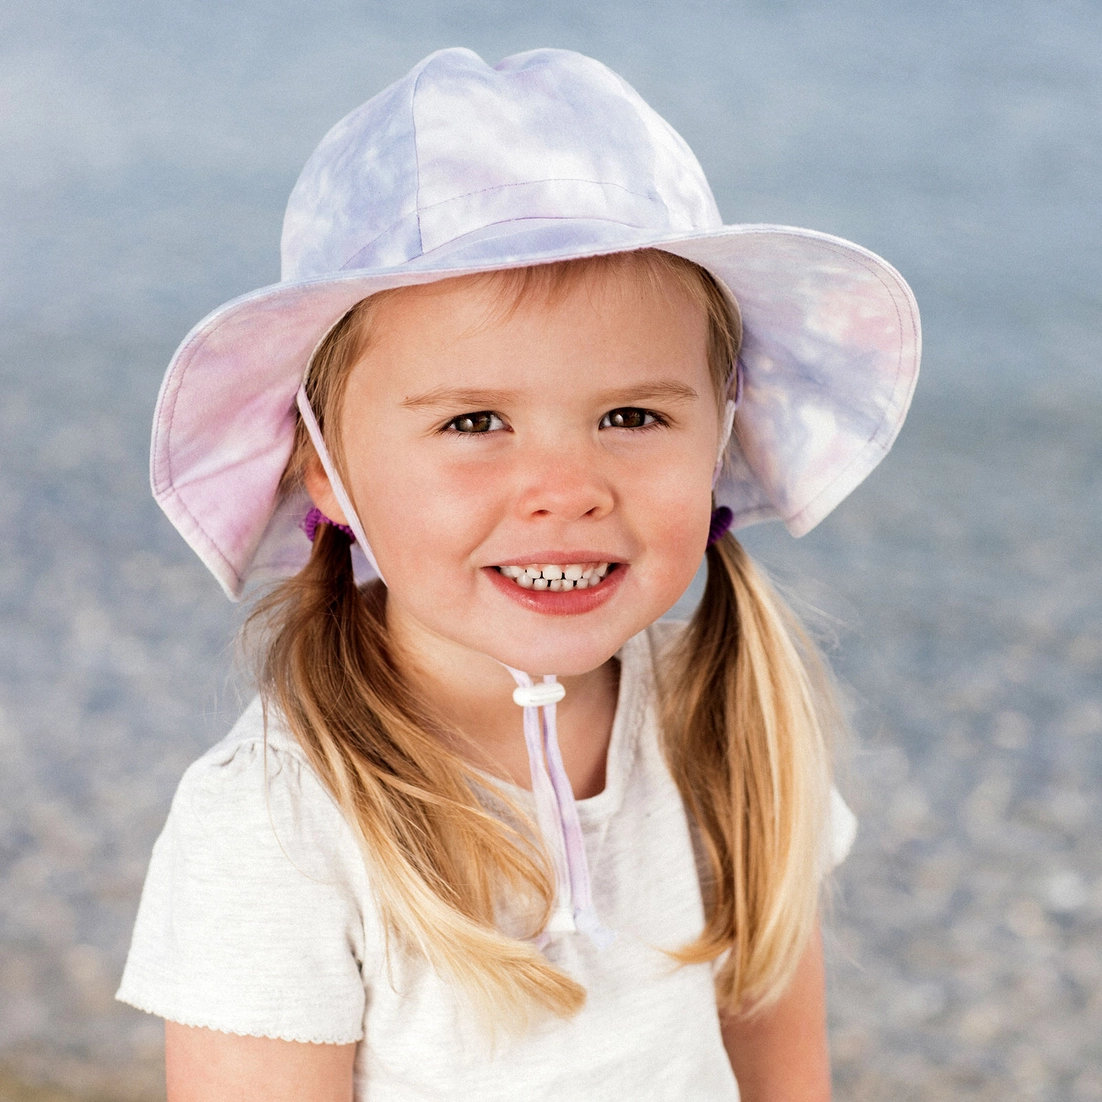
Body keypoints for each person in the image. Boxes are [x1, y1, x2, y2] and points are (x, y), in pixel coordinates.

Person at [117, 47, 919, 1102]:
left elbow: (783, 1076)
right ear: (330, 468)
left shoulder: (729, 728)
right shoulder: (274, 826)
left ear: (716, 437)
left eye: (631, 415)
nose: (565, 487)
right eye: (474, 420)